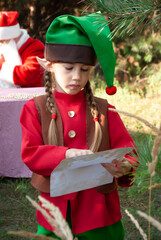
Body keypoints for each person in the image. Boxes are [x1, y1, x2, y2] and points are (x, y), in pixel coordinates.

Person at [20, 13, 138, 240]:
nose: (77, 77)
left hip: (99, 211)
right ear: (49, 66)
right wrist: (67, 154)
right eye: (68, 68)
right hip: (55, 209)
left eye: (84, 70)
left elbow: (128, 151)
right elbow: (30, 152)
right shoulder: (34, 108)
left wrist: (124, 166)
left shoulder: (105, 110)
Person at [0, 11, 44, 88]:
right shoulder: (4, 48)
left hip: (31, 97)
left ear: (11, 37)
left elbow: (29, 75)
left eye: (2, 41)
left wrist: (2, 67)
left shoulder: (35, 47)